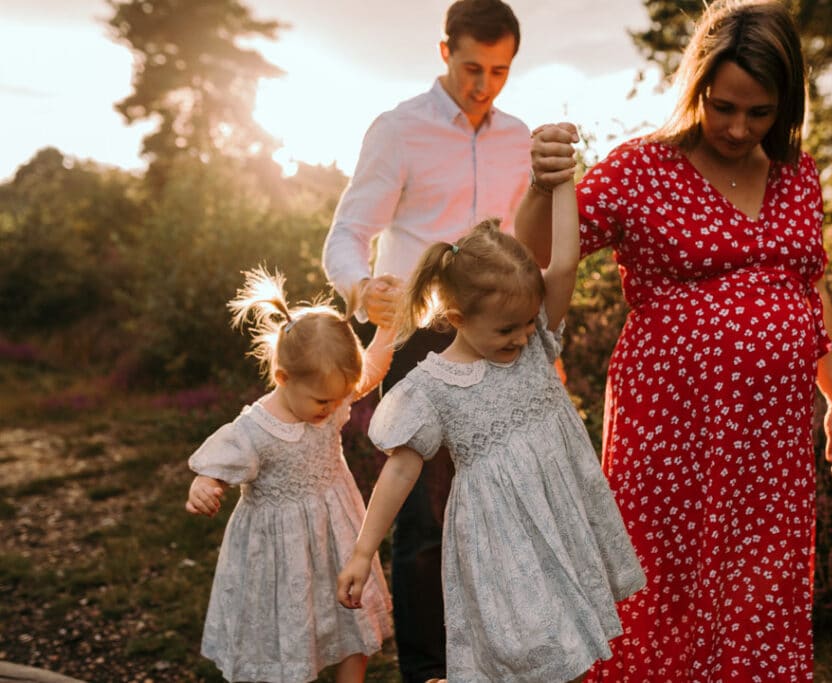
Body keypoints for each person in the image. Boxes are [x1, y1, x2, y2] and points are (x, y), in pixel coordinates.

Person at [516, 1, 832, 680]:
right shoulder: (642, 169)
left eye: (758, 111)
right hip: (671, 434)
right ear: (697, 86)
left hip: (771, 442)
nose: (738, 127)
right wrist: (540, 184)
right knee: (662, 578)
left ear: (784, 105)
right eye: (723, 105)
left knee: (762, 581)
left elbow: (808, 288)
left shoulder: (799, 175)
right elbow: (535, 256)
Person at [336, 185, 647, 683]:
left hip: (557, 516)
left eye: (527, 323)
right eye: (507, 329)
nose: (523, 337)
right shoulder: (432, 386)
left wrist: (562, 182)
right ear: (457, 319)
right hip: (498, 541)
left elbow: (564, 264)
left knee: (566, 638)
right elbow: (400, 469)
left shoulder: (534, 339)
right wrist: (362, 550)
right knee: (521, 647)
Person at [321, 1, 530, 680]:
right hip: (420, 345)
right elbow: (346, 236)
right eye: (473, 67)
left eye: (499, 71)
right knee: (425, 519)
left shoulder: (518, 138)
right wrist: (360, 288)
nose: (484, 85)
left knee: (503, 514)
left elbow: (525, 246)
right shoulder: (398, 129)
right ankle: (428, 669)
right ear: (445, 52)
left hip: (503, 343)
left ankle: (497, 658)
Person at [185, 267, 394, 683]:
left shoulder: (329, 398)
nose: (334, 408)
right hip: (280, 557)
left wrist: (388, 330)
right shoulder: (255, 429)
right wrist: (204, 486)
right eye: (323, 400)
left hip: (338, 536)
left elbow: (370, 370)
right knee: (290, 641)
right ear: (283, 378)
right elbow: (215, 466)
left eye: (339, 398)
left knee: (352, 625)